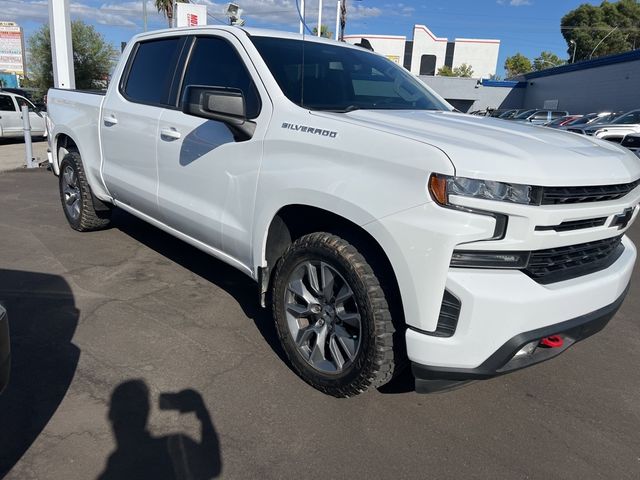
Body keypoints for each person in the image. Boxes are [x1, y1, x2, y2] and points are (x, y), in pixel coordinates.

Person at [98, 380, 221, 480]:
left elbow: (211, 467)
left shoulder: (118, 464)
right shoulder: (172, 446)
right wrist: (203, 415)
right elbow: (212, 466)